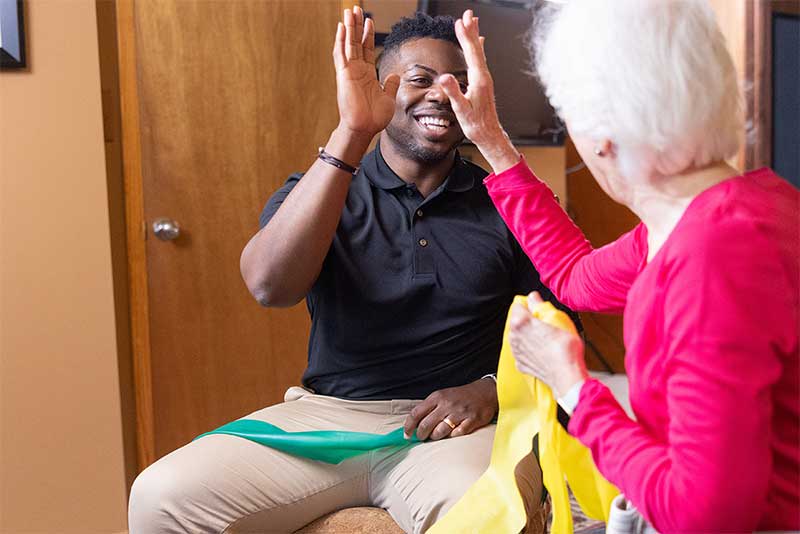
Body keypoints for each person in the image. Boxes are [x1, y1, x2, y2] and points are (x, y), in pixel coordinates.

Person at [128, 9, 571, 533]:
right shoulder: (320, 188)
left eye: (455, 82)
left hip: (450, 427)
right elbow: (270, 286)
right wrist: (351, 133)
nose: (438, 94)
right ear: (384, 89)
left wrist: (491, 390)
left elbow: (563, 326)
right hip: (327, 420)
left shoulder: (506, 203)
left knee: (487, 517)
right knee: (161, 496)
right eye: (420, 80)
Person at [436, 1, 799, 532]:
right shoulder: (731, 208)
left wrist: (572, 387)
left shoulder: (712, 259)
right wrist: (492, 140)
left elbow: (705, 516)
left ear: (601, 139)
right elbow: (575, 279)